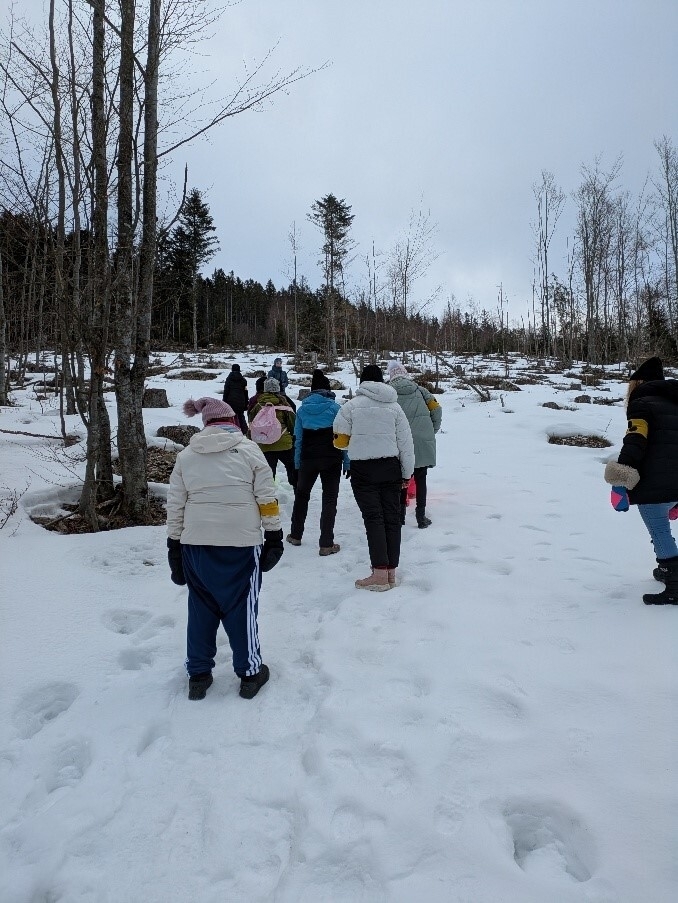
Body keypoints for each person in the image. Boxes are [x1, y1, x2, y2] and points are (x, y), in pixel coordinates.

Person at [166, 397, 284, 700]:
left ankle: (199, 675)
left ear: (205, 423)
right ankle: (249, 673)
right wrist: (274, 535)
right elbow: (266, 497)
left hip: (196, 542)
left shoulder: (188, 455)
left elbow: (176, 504)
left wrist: (174, 546)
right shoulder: (248, 450)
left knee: (200, 607)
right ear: (232, 421)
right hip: (240, 541)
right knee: (241, 606)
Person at [333, 364, 414, 591]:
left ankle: (378, 573)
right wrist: (407, 474)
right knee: (392, 518)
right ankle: (390, 573)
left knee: (373, 519)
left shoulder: (350, 407)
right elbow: (406, 446)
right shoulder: (395, 408)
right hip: (391, 468)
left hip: (363, 470)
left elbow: (339, 441)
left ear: (363, 381)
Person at [604, 356, 678, 606]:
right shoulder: (674, 402)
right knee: (662, 531)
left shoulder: (641, 404)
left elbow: (636, 441)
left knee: (660, 532)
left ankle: (674, 585)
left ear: (639, 383)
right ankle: (669, 569)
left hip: (654, 483)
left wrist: (620, 479)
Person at [287, 369, 348, 556]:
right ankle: (326, 544)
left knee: (301, 496)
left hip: (308, 459)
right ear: (327, 390)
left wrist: (297, 464)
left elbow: (298, 440)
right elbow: (343, 438)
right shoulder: (336, 409)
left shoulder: (303, 410)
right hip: (332, 458)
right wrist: (347, 462)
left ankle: (296, 535)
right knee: (329, 499)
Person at [386, 360, 443, 528]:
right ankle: (421, 517)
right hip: (421, 440)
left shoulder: (388, 393)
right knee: (421, 478)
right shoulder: (421, 391)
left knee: (402, 478)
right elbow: (437, 409)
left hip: (398, 442)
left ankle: (400, 516)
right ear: (405, 374)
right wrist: (432, 429)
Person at [248, 377, 297, 487]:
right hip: (284, 444)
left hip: (264, 444)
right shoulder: (284, 404)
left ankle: (270, 498)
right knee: (292, 467)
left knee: (268, 474)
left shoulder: (258, 406)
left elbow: (251, 425)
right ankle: (297, 491)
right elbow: (293, 426)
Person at [221, 363, 249, 433]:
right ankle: (244, 431)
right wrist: (246, 403)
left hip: (231, 401)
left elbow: (226, 391)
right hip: (241, 401)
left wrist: (224, 402)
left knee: (232, 416)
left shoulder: (228, 379)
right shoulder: (243, 380)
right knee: (241, 416)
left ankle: (232, 430)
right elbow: (246, 392)